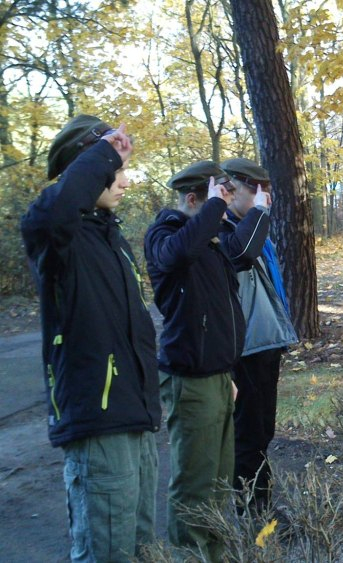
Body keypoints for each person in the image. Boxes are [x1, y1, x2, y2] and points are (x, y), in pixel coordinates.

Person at [20, 115, 160, 562]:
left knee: (139, 548)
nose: (123, 181)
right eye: (112, 171)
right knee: (107, 552)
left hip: (134, 416)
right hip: (98, 421)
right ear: (86, 167)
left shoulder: (110, 238)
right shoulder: (55, 233)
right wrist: (102, 152)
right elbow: (59, 210)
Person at [144, 161, 271, 561]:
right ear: (193, 198)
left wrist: (258, 213)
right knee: (194, 484)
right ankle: (188, 555)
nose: (225, 205)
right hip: (191, 378)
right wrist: (216, 209)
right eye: (219, 197)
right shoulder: (164, 235)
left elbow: (240, 253)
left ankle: (214, 554)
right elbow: (178, 254)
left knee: (217, 482)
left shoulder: (209, 241)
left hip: (218, 377)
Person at [219, 158, 298, 514]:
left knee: (263, 432)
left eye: (267, 188)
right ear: (230, 187)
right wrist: (260, 215)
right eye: (255, 188)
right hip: (244, 348)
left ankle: (261, 507)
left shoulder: (251, 227)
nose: (263, 196)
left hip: (265, 345)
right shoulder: (222, 230)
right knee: (248, 436)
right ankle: (252, 514)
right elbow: (241, 254)